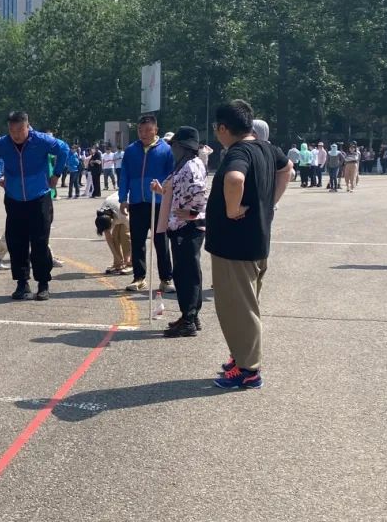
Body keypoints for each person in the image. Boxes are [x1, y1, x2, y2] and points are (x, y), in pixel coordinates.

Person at [205, 100, 291, 389]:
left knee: (238, 308)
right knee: (244, 305)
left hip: (235, 247)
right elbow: (287, 169)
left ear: (223, 128)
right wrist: (270, 202)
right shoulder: (267, 148)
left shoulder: (239, 152)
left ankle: (248, 369)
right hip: (255, 240)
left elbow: (234, 179)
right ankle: (241, 354)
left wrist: (231, 210)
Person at [0, 111, 69, 301]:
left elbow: (63, 149)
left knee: (40, 242)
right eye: (12, 130)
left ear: (27, 126)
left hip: (39, 198)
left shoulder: (41, 140)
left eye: (19, 130)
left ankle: (43, 284)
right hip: (14, 199)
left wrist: (56, 174)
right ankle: (22, 283)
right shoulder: (3, 143)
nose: (15, 134)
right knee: (17, 243)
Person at [152, 127, 208, 338]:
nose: (172, 149)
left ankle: (189, 319)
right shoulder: (186, 164)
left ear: (183, 147)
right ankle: (190, 315)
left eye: (174, 145)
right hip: (181, 225)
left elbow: (200, 192)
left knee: (186, 274)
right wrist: (162, 191)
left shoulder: (190, 166)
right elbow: (179, 191)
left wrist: (193, 213)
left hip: (187, 226)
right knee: (187, 272)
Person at [118, 114, 175, 293]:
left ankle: (166, 279)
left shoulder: (166, 150)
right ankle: (139, 278)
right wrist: (123, 198)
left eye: (148, 130)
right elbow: (124, 175)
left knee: (161, 242)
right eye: (140, 130)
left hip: (158, 202)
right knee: (137, 241)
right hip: (137, 201)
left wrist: (167, 196)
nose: (144, 134)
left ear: (156, 130)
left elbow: (172, 176)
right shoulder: (131, 150)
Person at [95, 193, 131, 275]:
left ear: (112, 221)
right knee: (115, 237)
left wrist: (129, 256)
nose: (107, 231)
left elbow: (135, 236)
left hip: (128, 206)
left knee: (125, 236)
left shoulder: (123, 215)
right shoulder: (102, 214)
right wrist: (116, 255)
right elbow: (109, 238)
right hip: (116, 209)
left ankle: (130, 263)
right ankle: (118, 263)